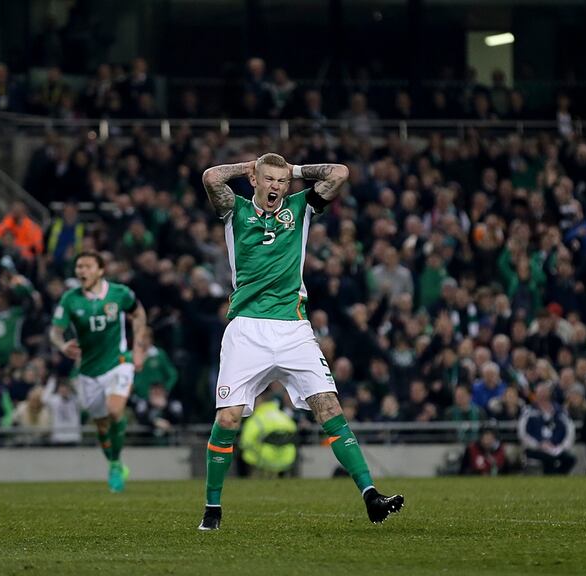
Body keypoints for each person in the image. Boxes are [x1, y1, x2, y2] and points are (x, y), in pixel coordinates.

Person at [197, 152, 403, 531]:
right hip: (246, 328)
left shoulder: (301, 206)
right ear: (255, 181)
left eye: (282, 181)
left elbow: (339, 172)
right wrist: (248, 168)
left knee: (330, 410)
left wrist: (293, 172)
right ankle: (213, 508)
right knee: (227, 419)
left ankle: (371, 495)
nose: (276, 186)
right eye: (268, 179)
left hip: (293, 327)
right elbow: (211, 178)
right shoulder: (235, 212)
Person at [49, 251, 148, 492]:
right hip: (88, 371)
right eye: (79, 267)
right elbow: (55, 332)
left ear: (100, 270)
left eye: (87, 266)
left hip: (118, 362)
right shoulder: (70, 299)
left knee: (115, 411)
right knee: (102, 426)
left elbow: (138, 314)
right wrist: (63, 346)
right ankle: (115, 462)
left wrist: (138, 348)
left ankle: (115, 466)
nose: (81, 271)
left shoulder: (120, 293)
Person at [518, 382, 576, 475]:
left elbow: (570, 430)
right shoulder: (528, 411)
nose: (543, 395)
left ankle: (558, 479)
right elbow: (522, 433)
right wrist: (538, 445)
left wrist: (562, 446)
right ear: (536, 394)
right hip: (535, 448)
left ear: (549, 393)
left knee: (570, 459)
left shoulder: (560, 411)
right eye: (540, 393)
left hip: (556, 447)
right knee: (549, 459)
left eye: (545, 392)